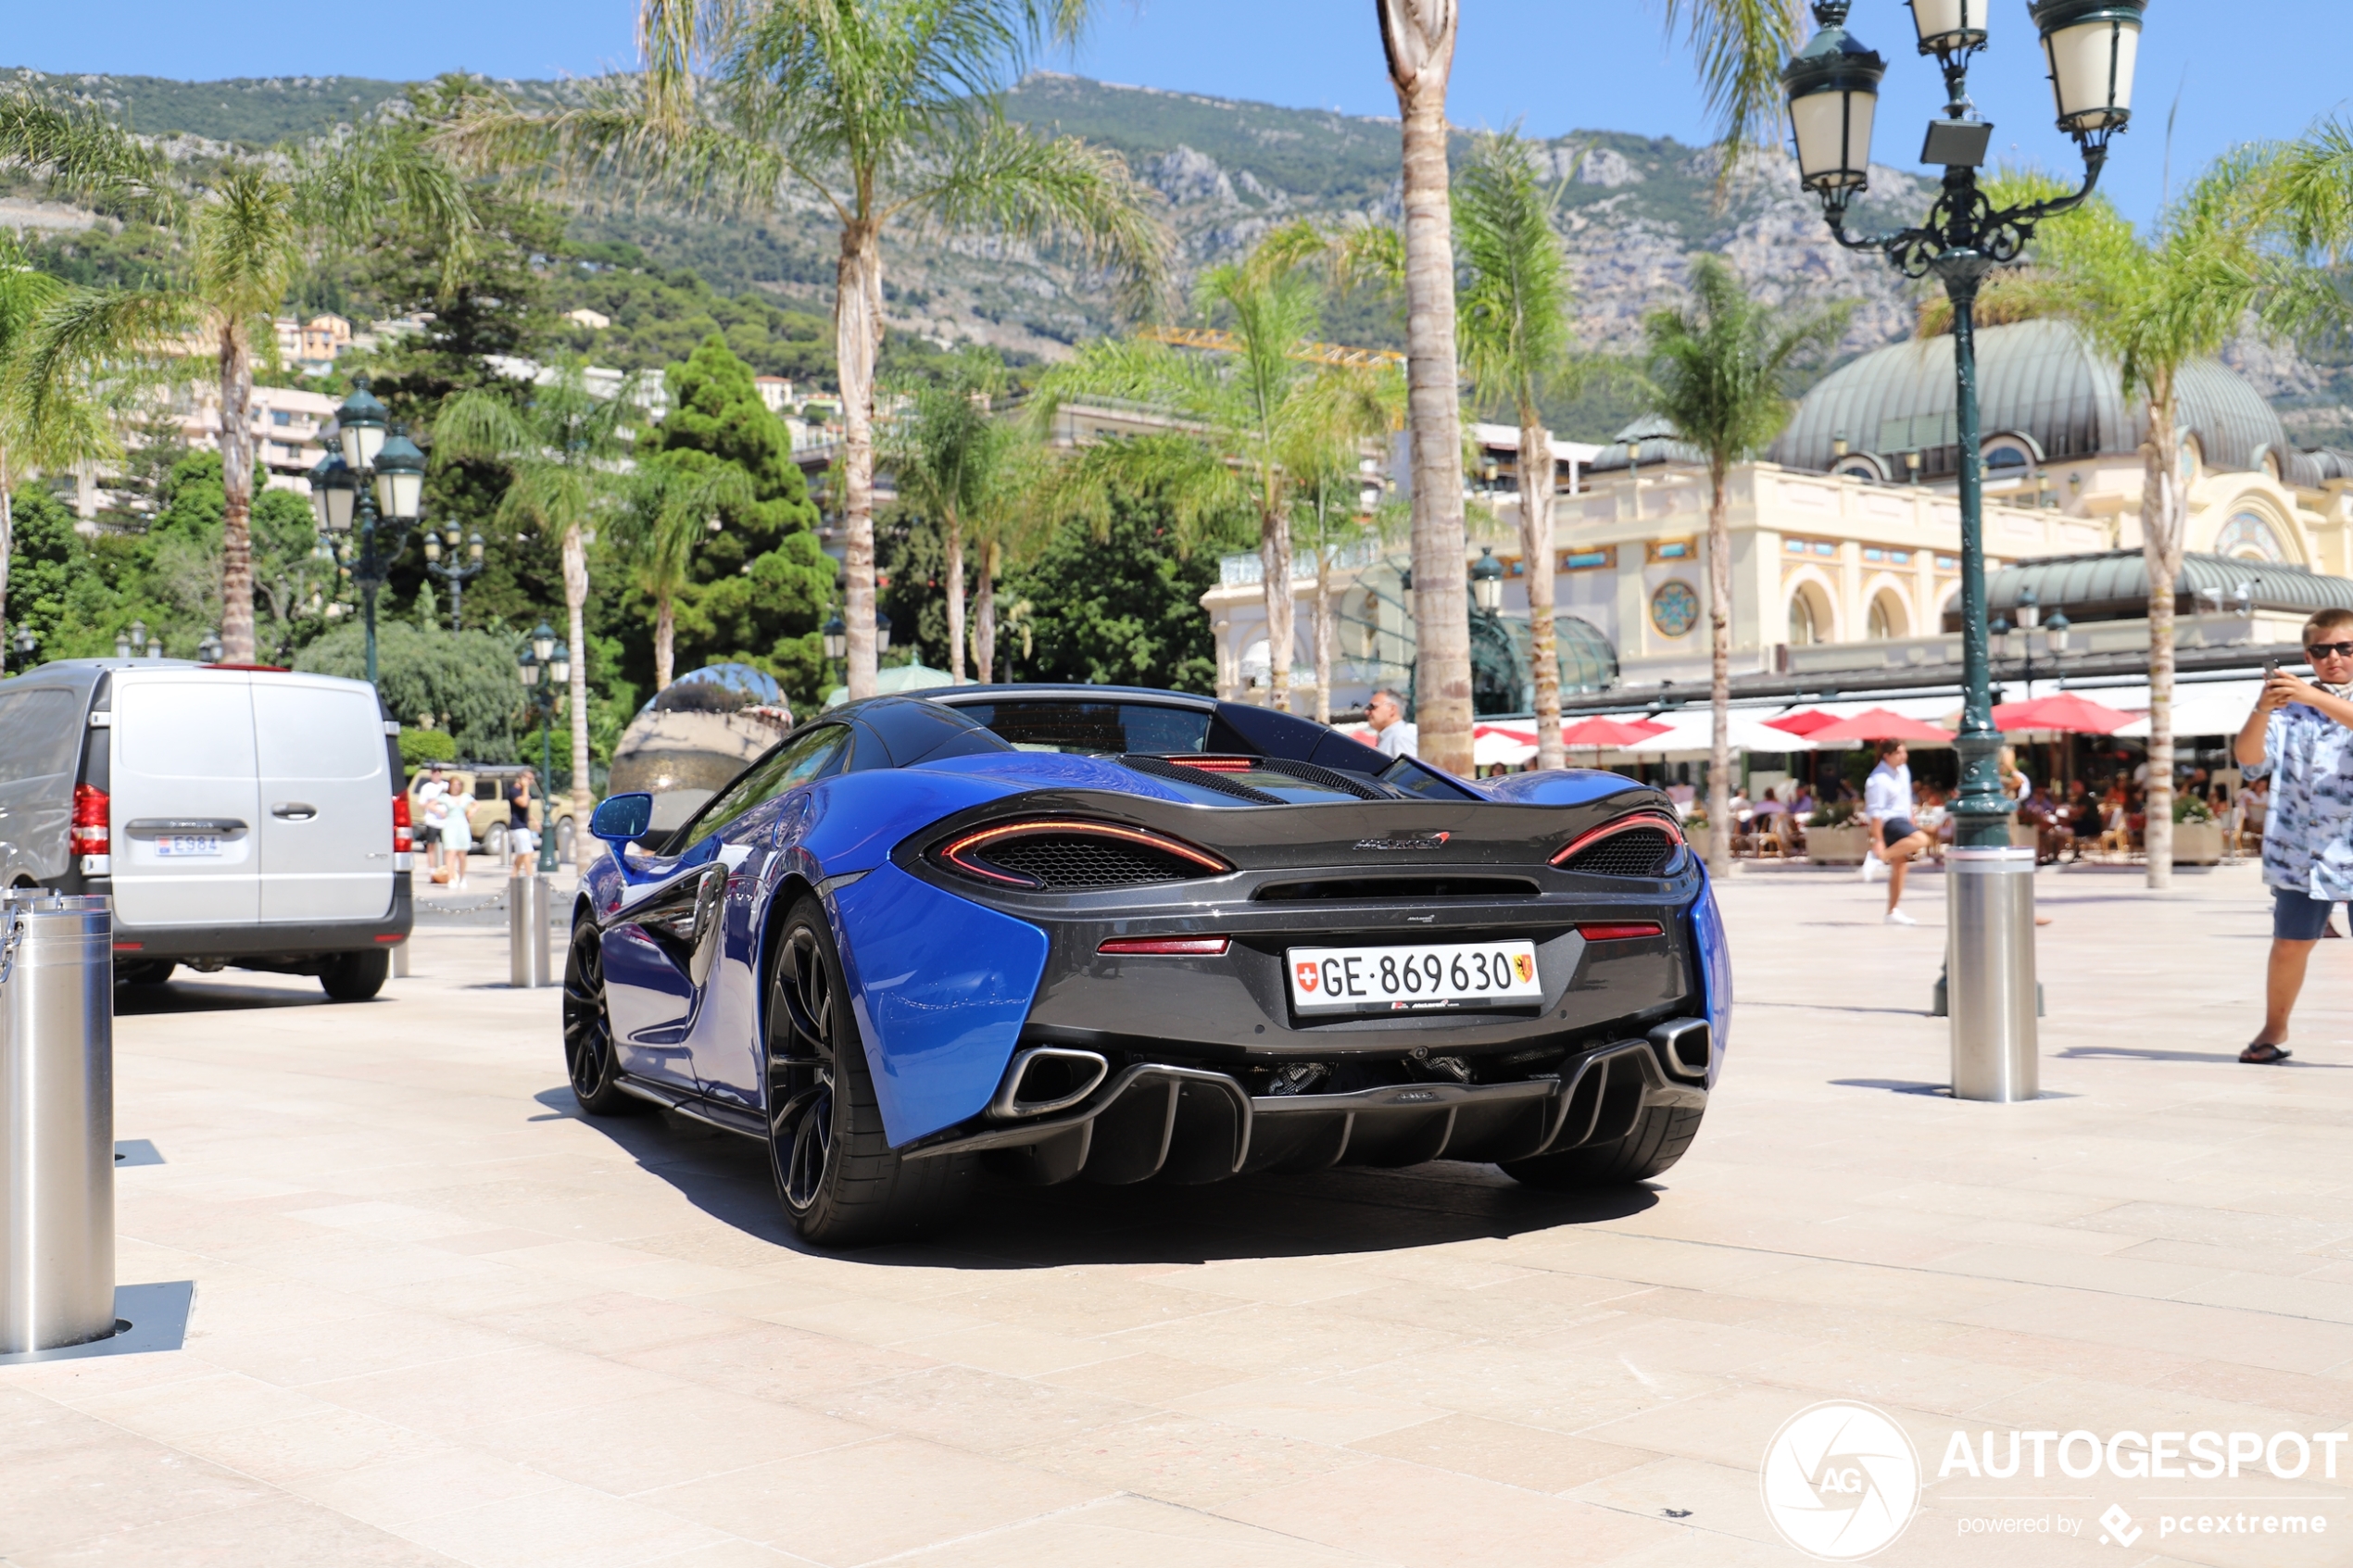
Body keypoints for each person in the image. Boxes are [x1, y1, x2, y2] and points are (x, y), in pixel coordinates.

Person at [2233, 611, 2353, 1063]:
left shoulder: (2310, 697)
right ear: (2308, 656)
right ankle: (2274, 1029)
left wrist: (2311, 696)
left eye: (2345, 648)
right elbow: (2249, 761)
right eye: (2322, 650)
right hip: (2302, 849)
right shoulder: (2289, 706)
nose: (2334, 658)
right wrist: (2264, 706)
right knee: (2289, 944)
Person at [1862, 739, 1933, 925]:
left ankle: (1892, 911)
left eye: (1904, 751)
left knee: (1901, 867)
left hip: (1902, 818)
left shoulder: (1903, 771)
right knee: (1922, 839)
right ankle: (1879, 857)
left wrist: (1912, 816)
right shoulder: (1877, 780)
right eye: (1899, 753)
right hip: (1888, 821)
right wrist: (1878, 840)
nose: (1904, 756)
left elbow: (1905, 797)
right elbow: (1875, 813)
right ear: (1887, 756)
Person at [429, 789, 472, 889]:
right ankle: (451, 878)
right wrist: (440, 811)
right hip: (450, 825)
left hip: (462, 825)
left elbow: (476, 805)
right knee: (451, 853)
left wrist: (472, 812)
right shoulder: (446, 797)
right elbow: (431, 804)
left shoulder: (465, 797)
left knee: (462, 854)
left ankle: (462, 877)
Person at [414, 764, 448, 875]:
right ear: (431, 774)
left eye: (439, 773)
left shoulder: (446, 786)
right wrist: (434, 808)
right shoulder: (427, 787)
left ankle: (447, 867)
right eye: (434, 773)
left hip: (445, 822)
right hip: (432, 821)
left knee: (447, 846)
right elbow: (421, 804)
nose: (437, 775)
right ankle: (432, 869)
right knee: (431, 845)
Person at [1365, 688, 1417, 760]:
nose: (1367, 712)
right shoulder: (1390, 737)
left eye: (1372, 707)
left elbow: (1413, 771)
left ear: (1392, 709)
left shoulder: (1400, 738)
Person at [509, 769, 540, 878]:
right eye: (529, 779)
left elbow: (524, 811)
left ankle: (513, 875)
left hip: (523, 825)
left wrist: (534, 820)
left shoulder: (523, 791)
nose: (530, 782)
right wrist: (526, 788)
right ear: (521, 778)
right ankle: (529, 876)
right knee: (528, 852)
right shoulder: (514, 791)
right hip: (518, 826)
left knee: (522, 854)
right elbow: (523, 803)